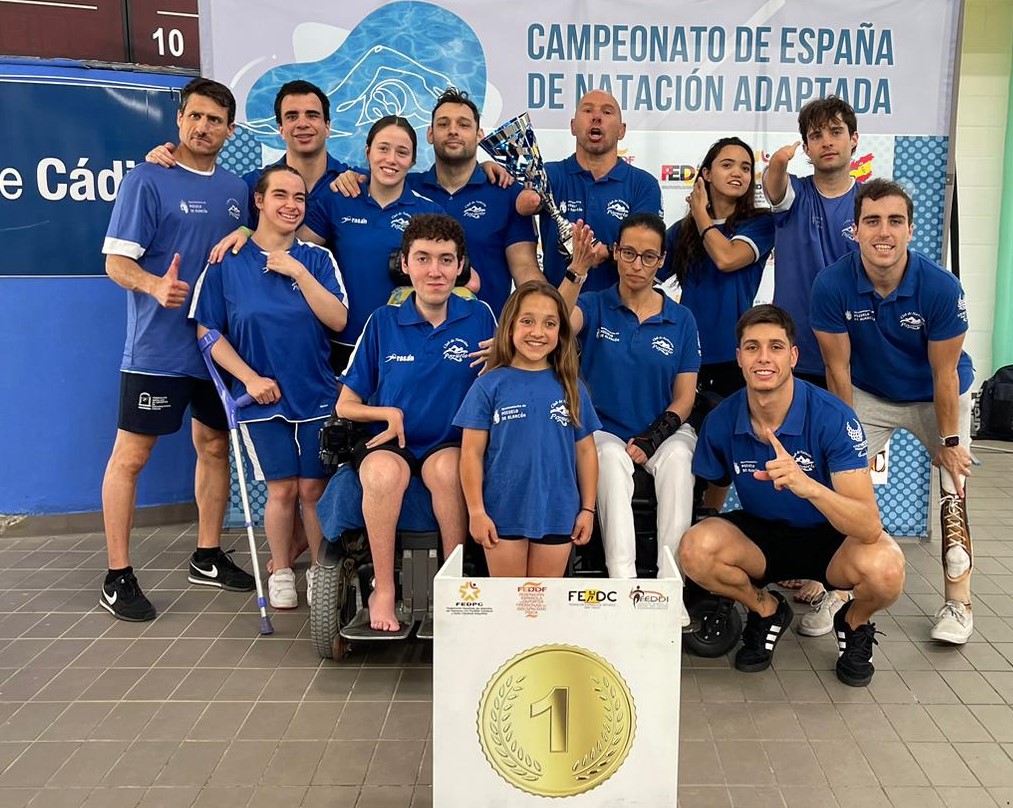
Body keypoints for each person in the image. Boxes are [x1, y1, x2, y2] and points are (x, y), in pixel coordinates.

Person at [679, 305, 905, 686]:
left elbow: (868, 525)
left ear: (793, 356)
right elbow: (714, 492)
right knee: (694, 549)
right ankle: (767, 610)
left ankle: (852, 623)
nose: (764, 357)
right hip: (763, 537)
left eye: (775, 347)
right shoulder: (721, 420)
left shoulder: (834, 417)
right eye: (752, 347)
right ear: (739, 358)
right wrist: (705, 573)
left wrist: (808, 486)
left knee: (887, 570)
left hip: (829, 539)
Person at [100, 78, 255, 621]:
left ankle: (207, 556)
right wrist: (153, 286)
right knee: (132, 457)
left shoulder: (239, 191)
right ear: (180, 120)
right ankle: (117, 575)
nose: (204, 127)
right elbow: (116, 262)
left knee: (214, 448)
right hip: (157, 351)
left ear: (229, 129)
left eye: (216, 120)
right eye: (196, 116)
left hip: (215, 351)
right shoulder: (149, 178)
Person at [811, 178, 977, 643]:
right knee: (844, 489)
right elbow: (836, 370)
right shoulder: (831, 284)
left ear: (909, 230)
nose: (883, 232)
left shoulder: (941, 288)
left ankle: (959, 604)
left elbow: (944, 376)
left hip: (935, 395)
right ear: (856, 230)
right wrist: (844, 444)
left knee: (953, 492)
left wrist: (947, 445)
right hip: (868, 393)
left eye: (895, 221)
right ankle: (841, 590)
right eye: (872, 221)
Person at [190, 165, 348, 608]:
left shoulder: (318, 259)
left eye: (299, 198)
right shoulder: (227, 261)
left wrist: (297, 270)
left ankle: (321, 571)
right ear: (258, 201)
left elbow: (337, 319)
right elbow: (208, 333)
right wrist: (249, 378)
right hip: (263, 399)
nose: (291, 205)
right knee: (282, 489)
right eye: (280, 195)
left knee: (314, 490)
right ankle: (280, 569)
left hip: (317, 395)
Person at [336, 213, 496, 630]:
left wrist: (505, 357)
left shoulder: (480, 317)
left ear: (461, 266)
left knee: (447, 471)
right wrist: (384, 412)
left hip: (450, 440)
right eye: (423, 259)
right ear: (405, 264)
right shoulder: (382, 322)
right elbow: (345, 405)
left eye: (446, 260)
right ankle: (384, 588)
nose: (435, 271)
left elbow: (507, 381)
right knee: (384, 475)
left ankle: (453, 584)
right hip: (392, 439)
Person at [561, 212, 700, 578]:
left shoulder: (681, 318)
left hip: (663, 429)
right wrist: (577, 270)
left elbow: (685, 397)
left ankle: (671, 586)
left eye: (648, 256)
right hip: (605, 428)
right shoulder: (593, 304)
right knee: (606, 458)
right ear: (617, 253)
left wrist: (654, 437)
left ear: (661, 260)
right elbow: (555, 326)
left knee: (680, 460)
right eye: (629, 254)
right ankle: (624, 585)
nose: (637, 265)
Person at [334, 88, 540, 315]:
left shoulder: (504, 192)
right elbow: (379, 172)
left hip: (485, 337)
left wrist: (549, 317)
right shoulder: (407, 187)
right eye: (443, 124)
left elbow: (526, 270)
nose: (453, 131)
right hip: (413, 335)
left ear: (479, 134)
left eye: (463, 125)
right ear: (430, 134)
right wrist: (350, 176)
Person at [456, 281, 600, 577]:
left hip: (558, 514)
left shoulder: (572, 388)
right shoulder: (488, 386)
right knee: (510, 608)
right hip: (502, 516)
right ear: (509, 327)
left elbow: (585, 452)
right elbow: (470, 454)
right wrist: (476, 512)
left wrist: (587, 509)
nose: (537, 332)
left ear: (561, 333)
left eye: (549, 323)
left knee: (542, 608)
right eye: (527, 321)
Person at [662, 137, 774, 397]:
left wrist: (699, 212)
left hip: (735, 355)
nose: (738, 173)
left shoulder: (760, 223)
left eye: (745, 168)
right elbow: (646, 274)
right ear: (707, 174)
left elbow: (726, 258)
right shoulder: (683, 231)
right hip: (686, 353)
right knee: (685, 436)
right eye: (727, 165)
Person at [762, 96, 861, 386]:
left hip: (855, 357)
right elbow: (773, 183)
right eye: (816, 135)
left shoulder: (869, 203)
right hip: (796, 353)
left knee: (846, 432)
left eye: (836, 132)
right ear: (806, 148)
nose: (827, 142)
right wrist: (778, 161)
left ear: (853, 139)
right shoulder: (795, 194)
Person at [526, 90, 663, 292]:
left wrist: (608, 251)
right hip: (559, 312)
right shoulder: (547, 175)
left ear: (622, 130)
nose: (596, 117)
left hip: (619, 314)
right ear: (573, 126)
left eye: (607, 112)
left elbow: (647, 249)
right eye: (588, 110)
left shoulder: (643, 184)